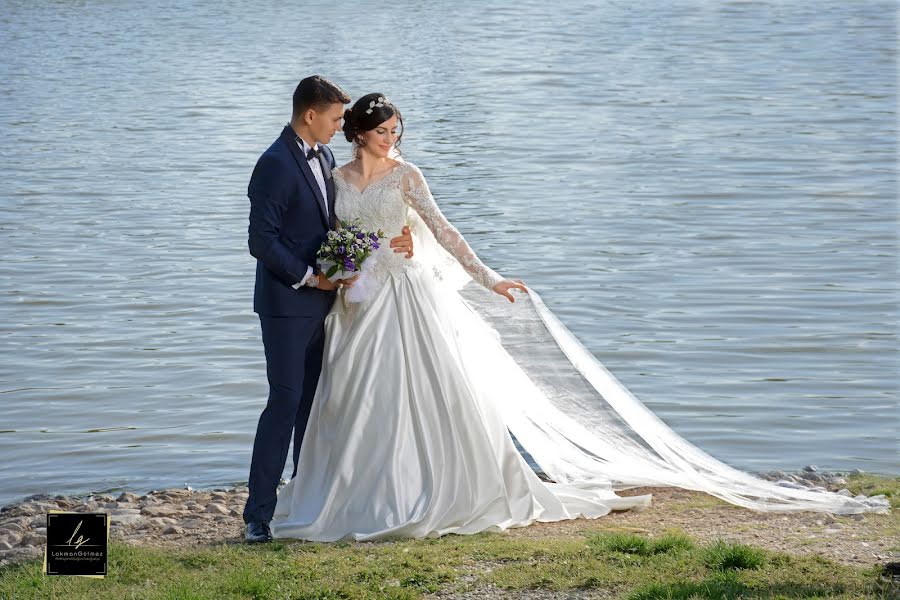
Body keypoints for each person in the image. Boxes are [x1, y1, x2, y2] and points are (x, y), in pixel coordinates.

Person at [269, 93, 890, 542]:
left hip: (407, 298)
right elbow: (330, 230)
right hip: (358, 302)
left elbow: (442, 229)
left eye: (398, 131)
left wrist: (488, 277)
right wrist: (348, 259)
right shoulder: (333, 172)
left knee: (425, 394)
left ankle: (427, 489)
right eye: (384, 132)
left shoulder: (408, 175)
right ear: (357, 132)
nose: (393, 140)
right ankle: (355, 492)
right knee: (352, 397)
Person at [243, 78, 415, 543]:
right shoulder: (274, 164)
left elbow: (340, 225)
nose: (342, 125)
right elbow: (262, 240)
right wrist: (308, 277)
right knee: (284, 401)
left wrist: (400, 238)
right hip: (287, 304)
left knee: (317, 408)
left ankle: (308, 497)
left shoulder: (325, 159)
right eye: (336, 118)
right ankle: (258, 514)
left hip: (335, 303)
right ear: (310, 116)